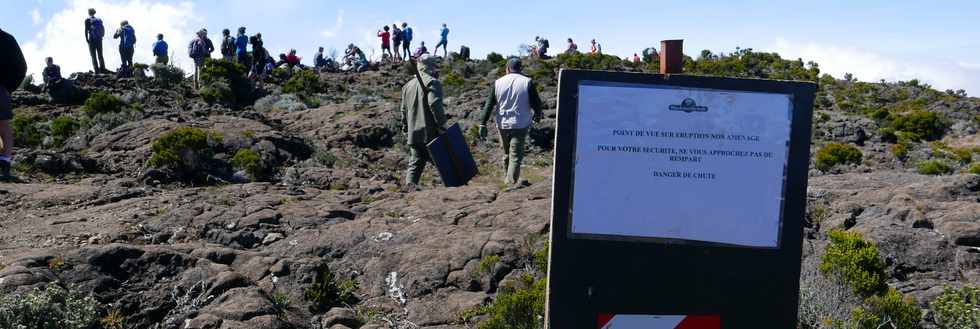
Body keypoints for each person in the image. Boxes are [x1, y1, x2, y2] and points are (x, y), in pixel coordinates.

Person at [478, 58, 543, 186]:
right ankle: (510, 184)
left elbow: (489, 105)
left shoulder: (497, 83)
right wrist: (538, 115)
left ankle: (507, 179)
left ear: (507, 68)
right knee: (515, 156)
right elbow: (537, 103)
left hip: (502, 124)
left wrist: (482, 123)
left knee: (507, 153)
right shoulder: (527, 82)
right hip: (520, 124)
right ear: (520, 69)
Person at [400, 54, 446, 187]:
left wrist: (406, 130)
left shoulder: (407, 86)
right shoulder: (433, 82)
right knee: (444, 163)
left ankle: (410, 187)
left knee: (416, 161)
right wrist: (442, 125)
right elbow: (435, 105)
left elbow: (403, 111)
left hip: (413, 133)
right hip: (430, 133)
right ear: (432, 66)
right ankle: (456, 190)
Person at [0, 29, 27, 180]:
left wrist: (7, 87)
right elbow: (21, 67)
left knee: (2, 125)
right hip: (2, 88)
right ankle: (4, 163)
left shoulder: (7, 39)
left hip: (1, 87)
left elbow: (21, 67)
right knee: (3, 126)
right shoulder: (8, 39)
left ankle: (4, 163)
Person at [84, 8, 107, 73]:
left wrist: (87, 39)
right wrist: (101, 36)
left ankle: (96, 70)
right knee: (100, 55)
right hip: (99, 39)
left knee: (93, 55)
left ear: (89, 13)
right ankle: (103, 69)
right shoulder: (99, 20)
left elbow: (86, 30)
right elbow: (103, 29)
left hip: (92, 39)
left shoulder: (87, 20)